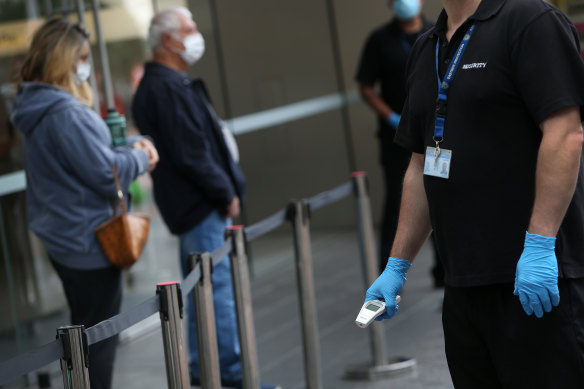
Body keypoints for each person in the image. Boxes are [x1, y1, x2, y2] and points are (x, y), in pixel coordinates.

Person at [365, 0, 584, 387]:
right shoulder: (427, 47)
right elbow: (420, 165)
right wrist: (397, 265)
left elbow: (565, 133)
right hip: (464, 287)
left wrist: (539, 243)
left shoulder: (529, 21)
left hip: (537, 282)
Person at [132, 7, 279, 389]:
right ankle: (230, 373)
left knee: (204, 291)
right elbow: (191, 151)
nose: (196, 34)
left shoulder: (170, 83)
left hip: (197, 206)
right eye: (189, 28)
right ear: (168, 40)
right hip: (201, 207)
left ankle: (204, 368)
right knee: (217, 292)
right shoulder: (162, 87)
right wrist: (224, 191)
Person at [10, 17, 159, 389]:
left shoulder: (37, 106)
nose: (85, 65)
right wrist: (142, 157)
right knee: (98, 342)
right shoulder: (66, 113)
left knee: (83, 338)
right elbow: (103, 172)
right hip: (90, 242)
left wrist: (123, 151)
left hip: (64, 239)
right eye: (82, 57)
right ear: (63, 60)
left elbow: (87, 163)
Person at [356, 0, 444, 285]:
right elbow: (365, 86)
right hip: (397, 138)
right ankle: (389, 273)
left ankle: (444, 270)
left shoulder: (437, 32)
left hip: (436, 136)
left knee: (440, 199)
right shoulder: (380, 40)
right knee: (399, 200)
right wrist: (391, 117)